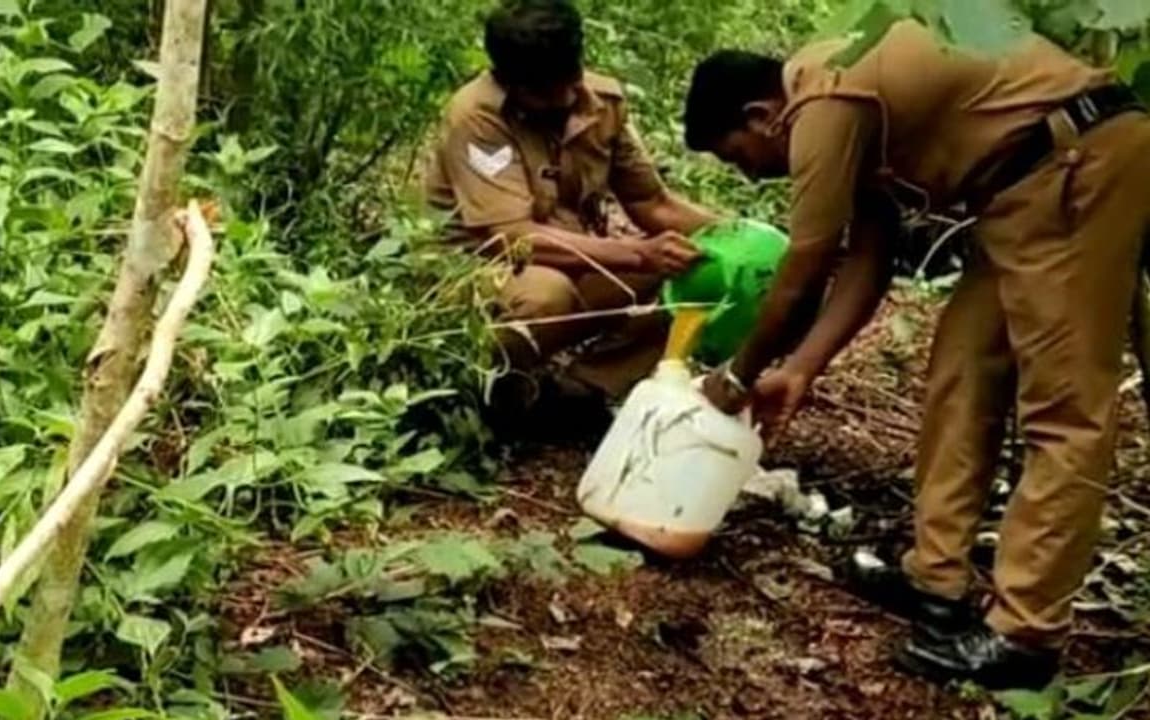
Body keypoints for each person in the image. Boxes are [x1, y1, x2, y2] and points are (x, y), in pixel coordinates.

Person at [683, 20, 1149, 689]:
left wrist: (738, 373)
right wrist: (801, 369)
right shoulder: (853, 105)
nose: (750, 176)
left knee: (1066, 409)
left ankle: (1025, 634)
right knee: (960, 375)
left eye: (738, 157)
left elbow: (807, 263)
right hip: (1017, 193)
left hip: (1078, 165)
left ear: (763, 115)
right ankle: (936, 579)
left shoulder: (822, 101)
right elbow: (868, 257)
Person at [425, 0, 718, 439]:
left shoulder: (602, 101)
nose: (563, 99)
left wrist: (738, 234)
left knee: (692, 266)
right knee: (545, 295)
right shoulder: (477, 117)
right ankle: (486, 397)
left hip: (570, 255)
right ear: (509, 80)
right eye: (542, 91)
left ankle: (578, 392)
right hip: (476, 270)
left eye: (568, 81)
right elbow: (511, 238)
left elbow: (652, 203)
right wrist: (636, 253)